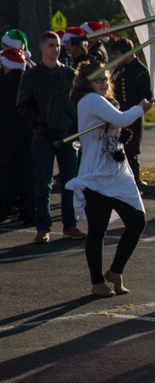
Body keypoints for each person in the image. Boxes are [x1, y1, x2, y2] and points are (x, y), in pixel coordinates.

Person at [64, 60, 152, 297]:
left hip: (119, 172)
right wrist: (140, 108)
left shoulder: (107, 102)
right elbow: (122, 119)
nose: (103, 83)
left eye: (105, 78)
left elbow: (117, 127)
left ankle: (115, 271)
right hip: (97, 176)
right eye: (97, 79)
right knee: (97, 231)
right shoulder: (90, 101)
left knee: (137, 222)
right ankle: (97, 283)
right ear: (87, 83)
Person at [16, 30, 86, 243]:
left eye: (57, 46)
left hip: (66, 138)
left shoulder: (69, 74)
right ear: (41, 48)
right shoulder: (31, 76)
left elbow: (77, 104)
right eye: (50, 46)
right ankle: (43, 227)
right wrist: (40, 122)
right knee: (43, 185)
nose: (55, 49)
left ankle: (70, 225)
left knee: (70, 183)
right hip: (43, 138)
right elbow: (22, 105)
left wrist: (75, 130)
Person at [108, 38, 154, 191]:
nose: (115, 57)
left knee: (131, 150)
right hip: (117, 115)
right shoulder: (119, 70)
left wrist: (138, 110)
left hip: (133, 116)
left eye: (117, 53)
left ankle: (135, 183)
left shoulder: (140, 71)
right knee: (116, 149)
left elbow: (146, 97)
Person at [0, 48, 34, 227]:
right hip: (29, 134)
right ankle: (28, 212)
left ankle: (3, 209)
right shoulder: (30, 81)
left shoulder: (3, 83)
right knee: (28, 175)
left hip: (6, 135)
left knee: (6, 174)